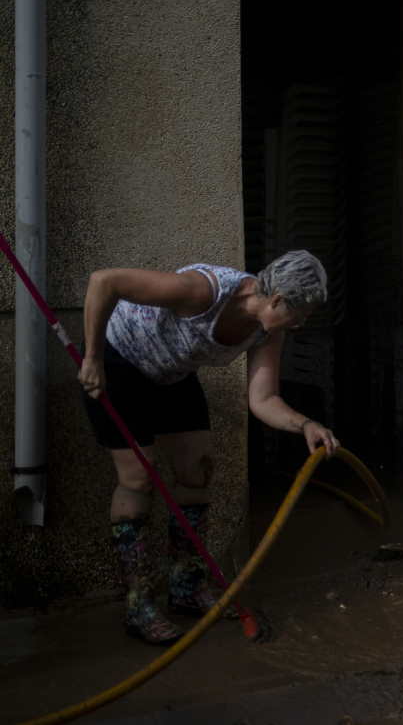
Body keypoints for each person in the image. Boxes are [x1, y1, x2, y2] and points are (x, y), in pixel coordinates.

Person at [80, 250, 339, 644]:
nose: (300, 324)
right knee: (138, 479)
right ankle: (139, 604)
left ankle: (186, 587)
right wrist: (93, 357)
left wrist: (305, 424)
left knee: (197, 470)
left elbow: (263, 400)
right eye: (299, 314)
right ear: (278, 300)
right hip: (120, 365)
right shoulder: (205, 291)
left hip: (173, 373)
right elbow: (104, 280)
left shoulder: (268, 329)